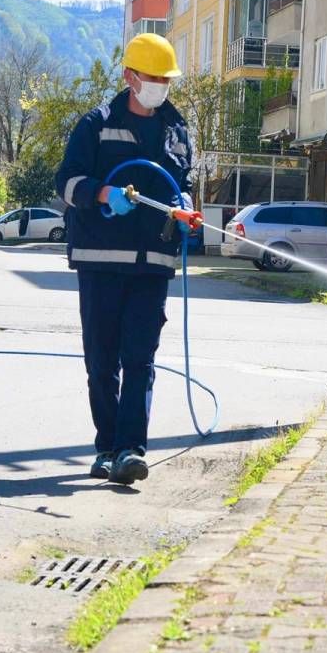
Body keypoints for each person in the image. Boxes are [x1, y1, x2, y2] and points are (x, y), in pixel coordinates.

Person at [55, 33, 193, 486]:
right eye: (152, 77)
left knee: (140, 359)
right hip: (100, 260)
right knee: (101, 361)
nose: (160, 86)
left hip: (153, 261)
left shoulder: (176, 129)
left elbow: (181, 182)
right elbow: (67, 183)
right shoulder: (95, 125)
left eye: (165, 79)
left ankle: (131, 449)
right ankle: (106, 447)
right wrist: (102, 192)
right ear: (130, 76)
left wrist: (185, 205)